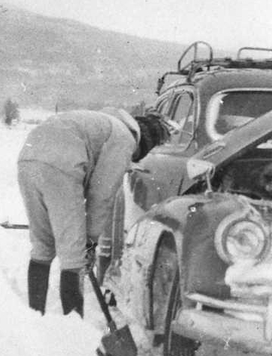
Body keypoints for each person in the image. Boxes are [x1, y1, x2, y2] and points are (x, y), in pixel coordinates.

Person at [17, 108, 169, 316]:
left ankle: (34, 315)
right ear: (142, 143)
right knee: (73, 256)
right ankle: (71, 329)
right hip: (61, 164)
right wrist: (90, 242)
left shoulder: (103, 124)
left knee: (42, 244)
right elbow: (102, 197)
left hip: (28, 158)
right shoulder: (124, 139)